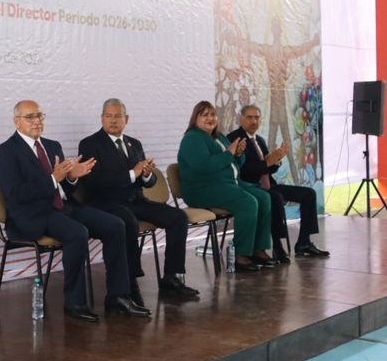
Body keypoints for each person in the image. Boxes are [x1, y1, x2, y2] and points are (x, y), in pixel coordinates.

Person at [0, 100, 150, 321]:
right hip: (33, 214)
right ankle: (74, 302)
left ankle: (118, 296)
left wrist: (72, 177)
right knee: (77, 233)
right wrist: (53, 179)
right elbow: (15, 194)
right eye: (30, 117)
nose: (37, 121)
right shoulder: (6, 151)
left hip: (63, 207)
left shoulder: (52, 145)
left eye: (39, 116)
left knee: (116, 225)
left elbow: (65, 188)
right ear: (16, 122)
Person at [78, 99, 200, 301]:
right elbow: (93, 181)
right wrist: (132, 174)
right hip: (105, 203)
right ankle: (129, 282)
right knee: (127, 220)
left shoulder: (134, 144)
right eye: (108, 116)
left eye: (117, 116)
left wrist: (146, 174)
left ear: (126, 119)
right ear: (102, 118)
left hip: (136, 200)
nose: (113, 120)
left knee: (178, 217)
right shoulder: (90, 144)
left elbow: (148, 182)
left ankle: (172, 277)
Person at [176, 101, 275, 272]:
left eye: (213, 114)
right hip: (203, 189)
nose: (210, 118)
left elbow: (235, 164)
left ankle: (258, 249)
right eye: (204, 115)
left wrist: (238, 154)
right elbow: (204, 166)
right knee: (248, 203)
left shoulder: (219, 136)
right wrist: (229, 153)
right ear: (195, 118)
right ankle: (241, 255)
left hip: (227, 184)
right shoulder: (192, 138)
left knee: (264, 197)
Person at [227, 105, 329, 261]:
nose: (254, 121)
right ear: (241, 119)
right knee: (275, 197)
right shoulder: (235, 139)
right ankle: (277, 246)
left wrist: (277, 159)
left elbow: (269, 168)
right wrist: (268, 162)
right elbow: (243, 171)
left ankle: (304, 242)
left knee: (309, 194)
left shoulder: (259, 140)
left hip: (268, 184)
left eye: (257, 118)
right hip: (250, 187)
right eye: (249, 117)